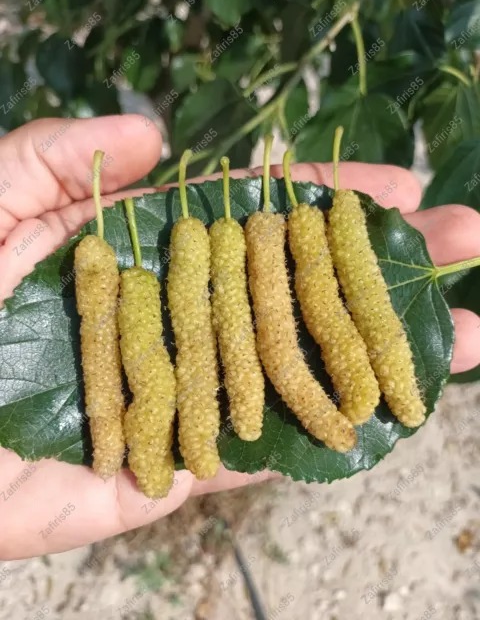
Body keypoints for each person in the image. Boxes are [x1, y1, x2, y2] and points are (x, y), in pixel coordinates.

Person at [0, 114, 479, 560]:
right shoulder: (126, 273)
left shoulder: (286, 233)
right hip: (177, 264)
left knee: (293, 324)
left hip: (264, 244)